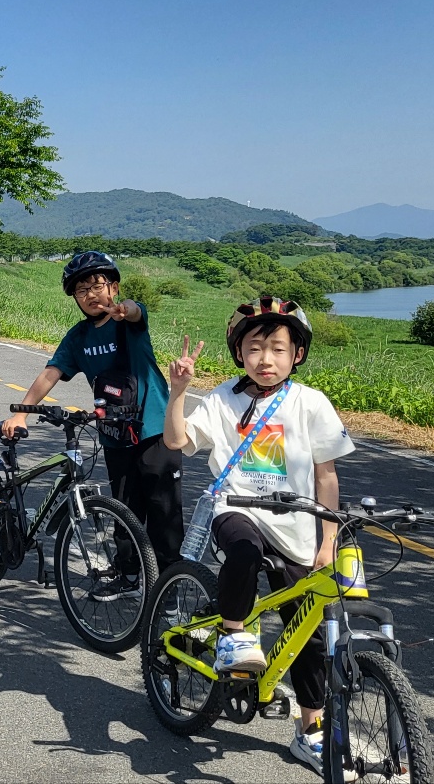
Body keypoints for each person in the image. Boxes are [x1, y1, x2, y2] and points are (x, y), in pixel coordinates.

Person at [161, 296, 354, 776]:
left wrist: (327, 540)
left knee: (306, 629)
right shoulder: (225, 398)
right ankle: (232, 635)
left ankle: (309, 731)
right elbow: (177, 443)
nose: (265, 359)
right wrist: (179, 391)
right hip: (237, 508)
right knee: (243, 552)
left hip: (297, 523)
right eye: (254, 348)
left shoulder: (310, 402)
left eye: (278, 349)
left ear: (297, 355)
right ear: (239, 353)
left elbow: (326, 477)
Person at [0, 251, 183, 571]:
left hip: (156, 430)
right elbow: (50, 373)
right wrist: (22, 413)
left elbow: (137, 312)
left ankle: (170, 583)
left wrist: (127, 309)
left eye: (97, 285)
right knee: (124, 509)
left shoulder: (127, 323)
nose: (90, 294)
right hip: (114, 435)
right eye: (81, 290)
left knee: (162, 510)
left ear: (113, 287)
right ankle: (126, 572)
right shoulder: (78, 338)